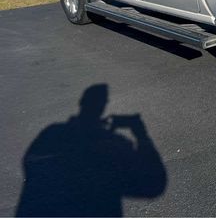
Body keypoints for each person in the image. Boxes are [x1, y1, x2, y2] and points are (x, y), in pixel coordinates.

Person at [16, 84, 167, 217]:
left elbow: (32, 162)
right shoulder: (114, 143)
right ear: (102, 106)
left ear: (82, 102)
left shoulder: (52, 133)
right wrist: (141, 134)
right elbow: (154, 185)